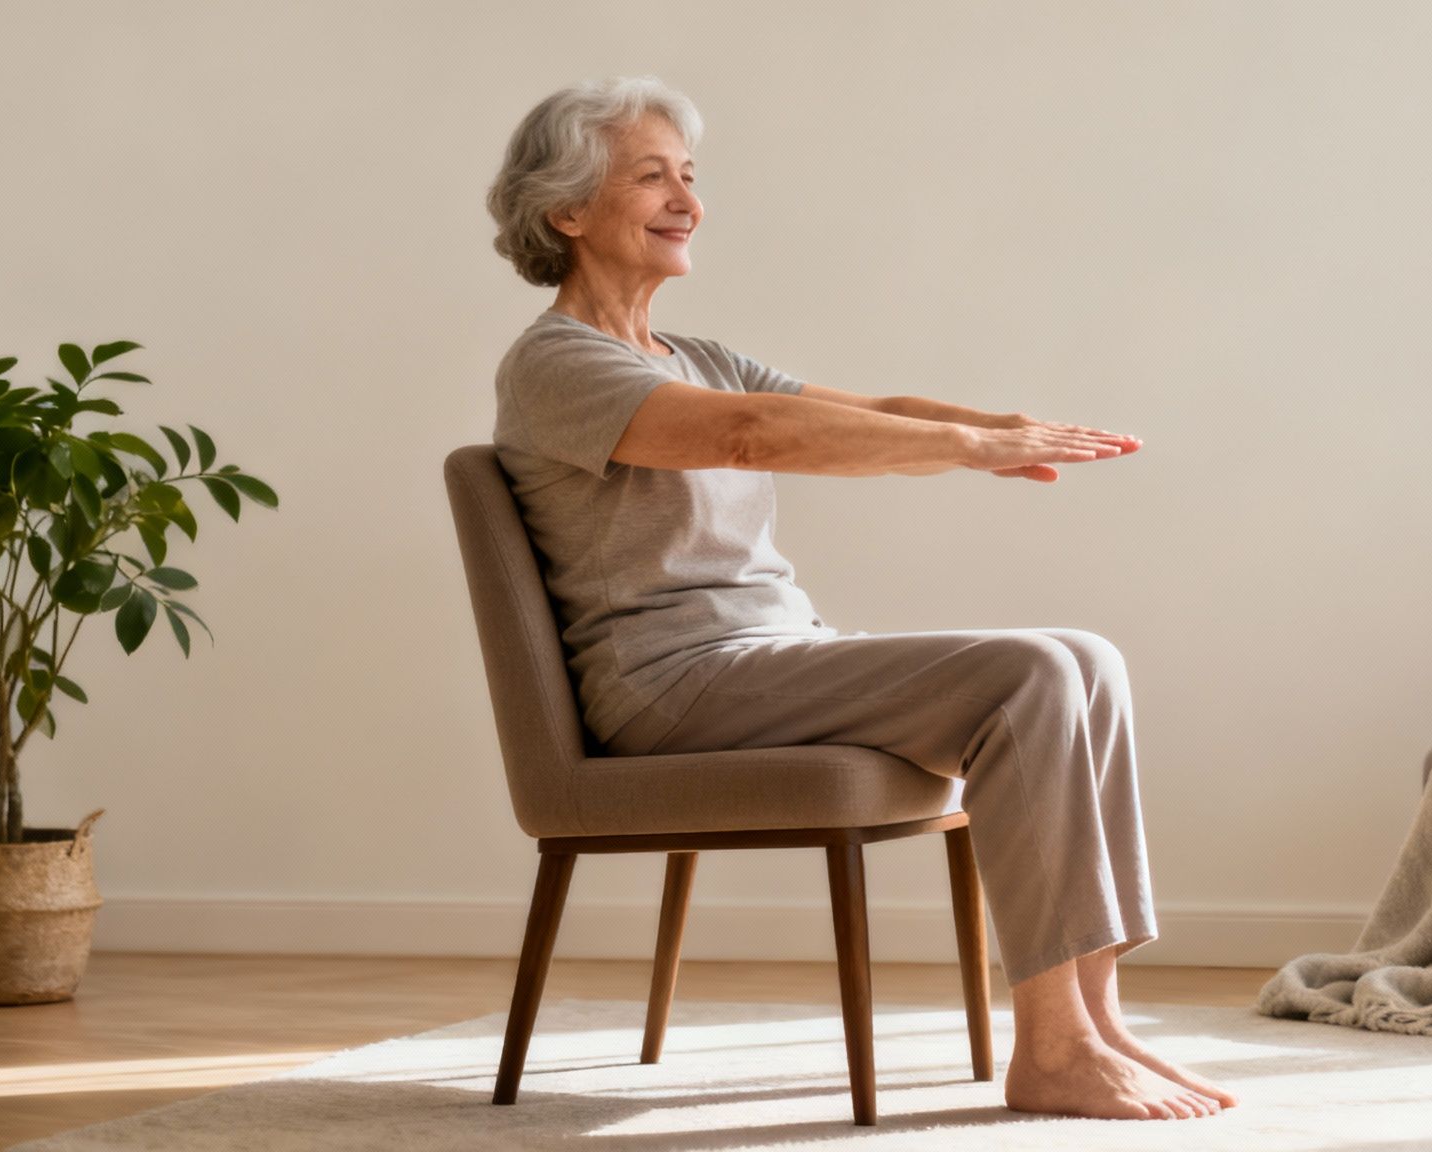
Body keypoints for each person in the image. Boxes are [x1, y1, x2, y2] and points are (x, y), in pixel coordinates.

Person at [485, 76, 1236, 1122]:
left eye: (690, 176)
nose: (685, 199)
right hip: (668, 686)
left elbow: (864, 410)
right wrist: (970, 449)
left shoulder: (693, 356)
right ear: (566, 210)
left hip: (764, 658)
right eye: (650, 175)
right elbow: (755, 435)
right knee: (1027, 672)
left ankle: (1092, 1022)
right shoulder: (557, 365)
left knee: (1082, 657)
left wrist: (997, 423)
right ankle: (1051, 1048)